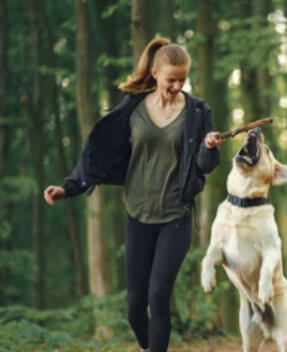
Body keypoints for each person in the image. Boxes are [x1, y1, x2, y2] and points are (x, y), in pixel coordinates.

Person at [43, 36, 225, 352]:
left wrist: (208, 148)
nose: (177, 86)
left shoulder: (197, 112)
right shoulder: (132, 108)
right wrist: (69, 187)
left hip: (176, 215)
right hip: (139, 214)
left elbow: (204, 166)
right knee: (135, 305)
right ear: (155, 73)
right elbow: (96, 152)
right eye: (171, 79)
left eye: (183, 80)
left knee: (158, 294)